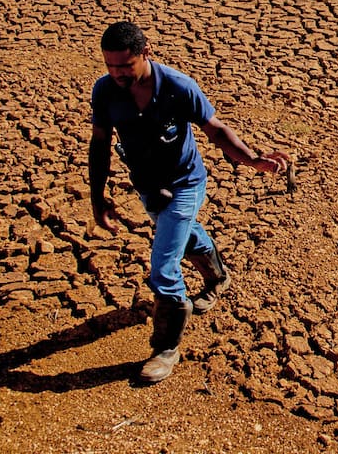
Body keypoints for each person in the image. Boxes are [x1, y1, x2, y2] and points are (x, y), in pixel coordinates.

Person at [88, 21, 290, 384]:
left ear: (145, 53)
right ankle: (218, 278)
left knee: (164, 265)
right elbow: (100, 142)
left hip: (185, 184)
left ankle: (166, 349)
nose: (117, 74)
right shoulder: (105, 91)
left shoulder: (178, 87)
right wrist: (97, 196)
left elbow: (215, 129)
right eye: (110, 66)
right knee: (186, 237)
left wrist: (253, 159)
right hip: (148, 186)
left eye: (125, 66)